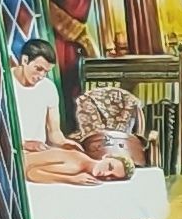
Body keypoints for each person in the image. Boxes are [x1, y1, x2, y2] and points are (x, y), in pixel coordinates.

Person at [12, 41, 112, 184]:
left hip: (40, 153)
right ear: (24, 60)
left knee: (76, 158)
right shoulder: (5, 85)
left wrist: (66, 144)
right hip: (13, 152)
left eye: (46, 72)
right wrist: (24, 144)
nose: (41, 76)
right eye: (38, 69)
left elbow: (54, 133)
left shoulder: (48, 88)